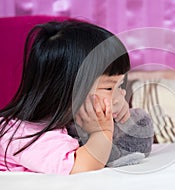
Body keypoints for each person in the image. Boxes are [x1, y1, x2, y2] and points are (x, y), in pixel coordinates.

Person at [0, 20, 131, 174]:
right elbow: (80, 167)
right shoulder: (26, 136)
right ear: (67, 89)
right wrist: (101, 132)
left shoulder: (62, 121)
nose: (119, 97)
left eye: (120, 85)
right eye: (109, 87)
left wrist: (117, 115)